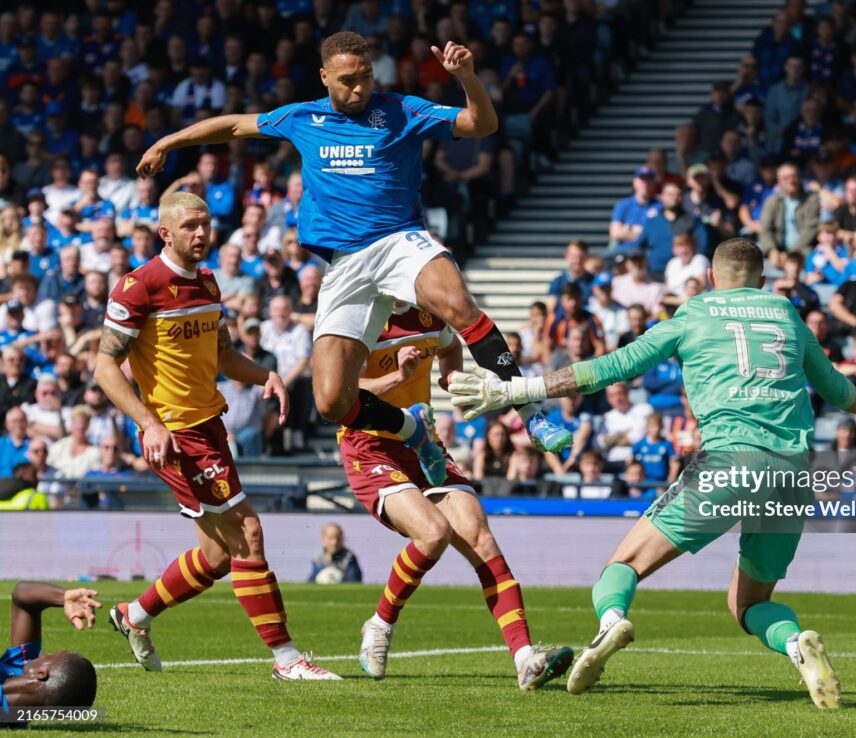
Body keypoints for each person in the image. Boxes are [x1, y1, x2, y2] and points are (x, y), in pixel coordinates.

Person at [448, 239, 856, 706]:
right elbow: (833, 386)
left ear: (712, 279)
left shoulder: (693, 314)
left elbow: (616, 365)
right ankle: (796, 646)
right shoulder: (785, 311)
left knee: (622, 566)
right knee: (748, 604)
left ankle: (610, 625)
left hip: (730, 462)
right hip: (793, 474)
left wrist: (519, 389)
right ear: (763, 281)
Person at [134, 31, 571, 473]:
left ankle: (531, 412)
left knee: (459, 305)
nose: (359, 87)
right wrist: (168, 142)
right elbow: (231, 125)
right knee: (331, 400)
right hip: (346, 263)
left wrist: (467, 79)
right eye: (347, 80)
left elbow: (483, 125)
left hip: (399, 241)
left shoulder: (402, 110)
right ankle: (412, 430)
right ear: (324, 77)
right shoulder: (302, 118)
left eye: (365, 76)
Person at [94, 193, 337, 680]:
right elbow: (104, 367)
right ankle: (287, 660)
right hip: (180, 436)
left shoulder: (207, 282)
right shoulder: (138, 287)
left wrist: (264, 374)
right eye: (191, 227)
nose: (202, 234)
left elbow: (224, 356)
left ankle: (133, 615)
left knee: (218, 555)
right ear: (166, 233)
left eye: (206, 225)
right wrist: (150, 422)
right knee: (248, 533)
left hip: (210, 425)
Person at [339, 300, 573, 689]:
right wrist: (399, 376)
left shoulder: (429, 313)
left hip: (423, 441)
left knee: (482, 541)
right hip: (370, 445)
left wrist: (454, 380)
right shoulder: (362, 316)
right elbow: (340, 391)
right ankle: (380, 623)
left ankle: (525, 659)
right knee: (433, 533)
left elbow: (448, 347)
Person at [0, 582, 100, 723]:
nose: (44, 654)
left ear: (41, 674)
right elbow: (22, 595)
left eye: (50, 655)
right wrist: (64, 597)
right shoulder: (20, 668)